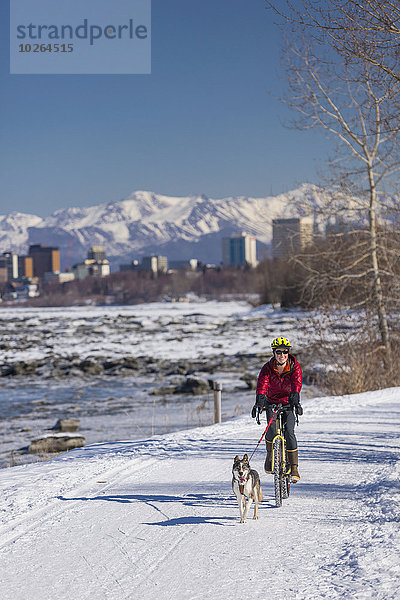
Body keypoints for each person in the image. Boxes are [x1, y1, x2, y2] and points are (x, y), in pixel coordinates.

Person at [252, 336, 303, 482]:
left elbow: (297, 382)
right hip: (272, 402)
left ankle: (294, 467)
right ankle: (270, 456)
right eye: (279, 352)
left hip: (288, 402)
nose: (282, 355)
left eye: (285, 352)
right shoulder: (267, 368)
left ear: (288, 353)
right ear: (274, 353)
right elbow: (262, 383)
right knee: (271, 430)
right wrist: (260, 399)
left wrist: (295, 396)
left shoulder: (294, 366)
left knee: (289, 432)